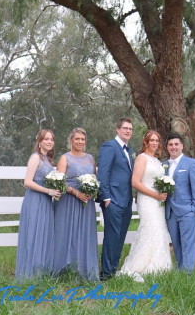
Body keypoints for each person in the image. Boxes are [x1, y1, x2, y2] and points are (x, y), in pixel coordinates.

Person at [118, 130, 172, 282]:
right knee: (151, 229)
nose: (155, 143)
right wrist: (155, 195)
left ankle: (160, 266)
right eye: (152, 140)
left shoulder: (157, 160)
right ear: (146, 142)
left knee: (160, 231)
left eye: (157, 141)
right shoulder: (142, 158)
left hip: (159, 202)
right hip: (148, 200)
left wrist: (163, 191)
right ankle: (139, 266)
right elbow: (135, 182)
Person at [54, 127, 99, 280]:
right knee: (67, 233)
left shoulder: (90, 158)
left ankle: (85, 271)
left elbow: (94, 178)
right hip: (68, 201)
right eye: (77, 139)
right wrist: (76, 192)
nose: (80, 142)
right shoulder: (65, 158)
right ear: (71, 140)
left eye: (82, 139)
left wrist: (91, 191)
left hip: (86, 202)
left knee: (85, 234)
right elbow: (58, 182)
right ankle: (65, 271)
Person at [15, 129, 61, 279]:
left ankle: (41, 272)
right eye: (46, 139)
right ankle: (29, 275)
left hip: (46, 203)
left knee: (44, 235)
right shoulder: (35, 158)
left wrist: (55, 190)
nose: (49, 141)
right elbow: (27, 182)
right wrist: (48, 191)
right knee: (34, 234)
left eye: (51, 139)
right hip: (35, 200)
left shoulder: (48, 159)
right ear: (39, 141)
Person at [97, 117, 134, 280]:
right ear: (117, 130)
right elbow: (102, 173)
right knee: (112, 237)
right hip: (112, 200)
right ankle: (105, 274)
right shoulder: (109, 146)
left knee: (120, 237)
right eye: (125, 128)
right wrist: (106, 197)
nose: (128, 131)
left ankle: (113, 269)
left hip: (126, 201)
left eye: (130, 129)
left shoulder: (128, 151)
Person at [165, 132, 195, 272]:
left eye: (176, 144)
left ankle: (187, 274)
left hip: (187, 211)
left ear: (182, 146)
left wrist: (194, 209)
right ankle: (180, 271)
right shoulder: (164, 165)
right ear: (167, 147)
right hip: (170, 212)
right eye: (170, 144)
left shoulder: (192, 163)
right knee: (176, 244)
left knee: (188, 244)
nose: (173, 147)